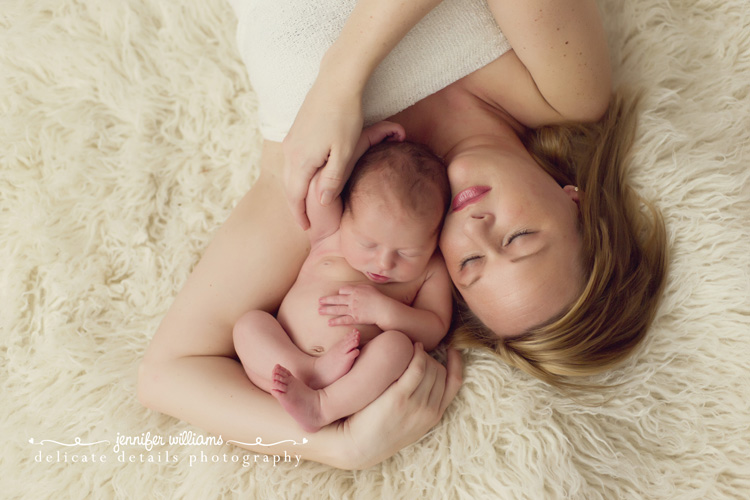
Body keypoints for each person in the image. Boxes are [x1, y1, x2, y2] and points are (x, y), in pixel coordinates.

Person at [138, 0, 667, 469]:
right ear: (573, 198)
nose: (476, 229)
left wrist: (341, 446)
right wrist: (341, 77)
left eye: (471, 266)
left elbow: (167, 376)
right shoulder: (566, 92)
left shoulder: (324, 199)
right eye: (519, 238)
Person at [233, 122, 452, 432]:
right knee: (249, 325)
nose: (383, 262)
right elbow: (320, 185)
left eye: (407, 253)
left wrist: (385, 311)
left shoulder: (431, 269)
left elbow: (434, 329)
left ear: (435, 239)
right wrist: (361, 142)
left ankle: (322, 406)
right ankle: (308, 371)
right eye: (368, 244)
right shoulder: (331, 233)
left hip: (352, 383)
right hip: (281, 367)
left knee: (398, 348)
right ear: (346, 214)